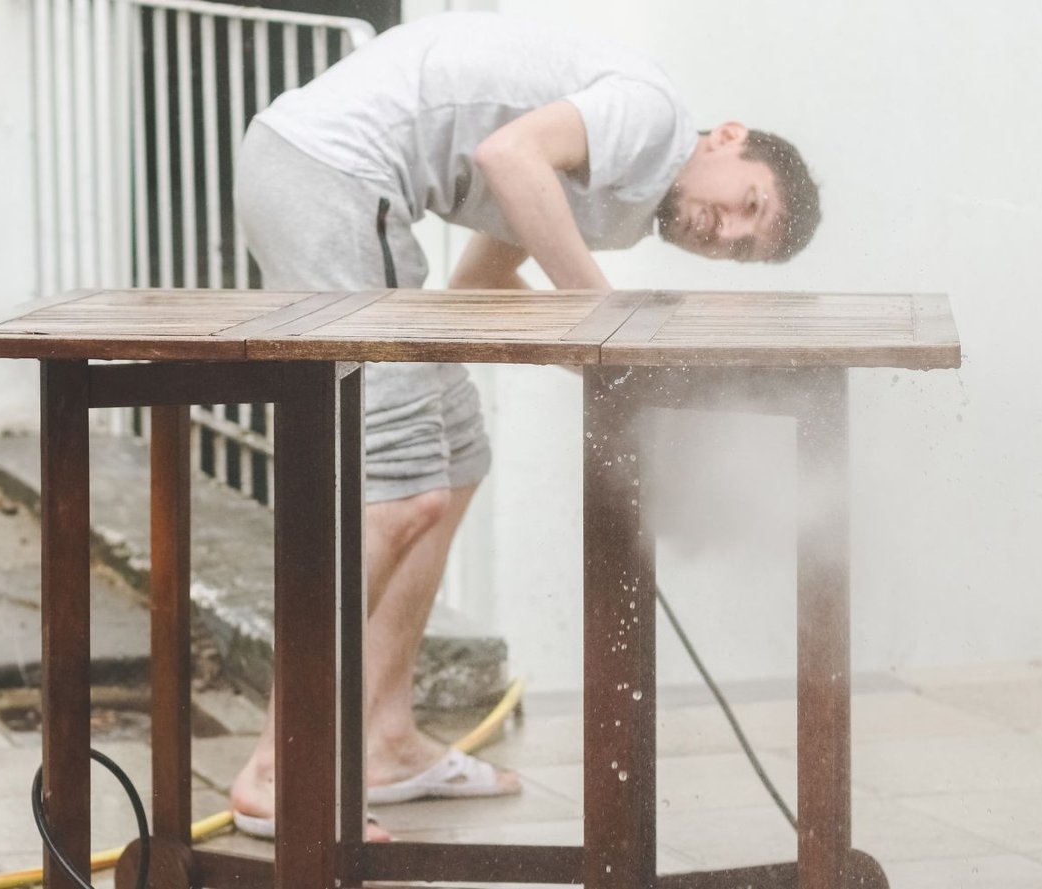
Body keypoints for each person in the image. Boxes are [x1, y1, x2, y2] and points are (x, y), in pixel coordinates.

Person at [229, 10, 821, 840]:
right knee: (401, 494)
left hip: (320, 176)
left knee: (457, 456)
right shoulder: (650, 120)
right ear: (729, 137)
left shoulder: (619, 191)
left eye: (741, 247)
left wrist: (607, 362)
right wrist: (607, 330)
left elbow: (478, 289)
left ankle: (385, 741)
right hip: (331, 175)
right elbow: (506, 157)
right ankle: (276, 766)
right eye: (745, 203)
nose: (725, 231)